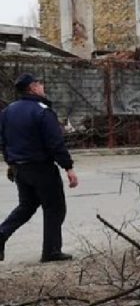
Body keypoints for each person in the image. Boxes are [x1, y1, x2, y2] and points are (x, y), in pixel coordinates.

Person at [0, 73, 79, 262]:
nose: (43, 87)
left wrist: (11, 162)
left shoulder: (8, 111)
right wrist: (68, 167)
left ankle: (1, 234)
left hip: (20, 168)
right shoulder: (42, 111)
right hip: (41, 168)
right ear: (33, 87)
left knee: (26, 206)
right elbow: (55, 143)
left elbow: (3, 141)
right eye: (40, 84)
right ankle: (51, 251)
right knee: (55, 208)